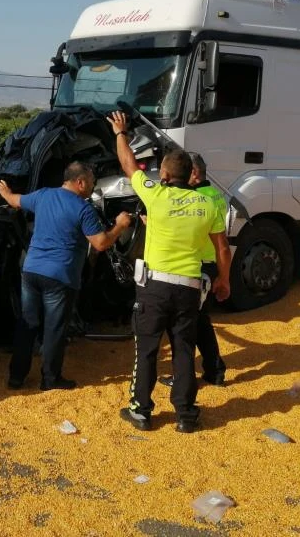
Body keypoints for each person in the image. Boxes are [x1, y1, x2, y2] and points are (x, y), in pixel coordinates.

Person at [107, 111, 231, 433]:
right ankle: (186, 415)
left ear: (163, 173)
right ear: (191, 175)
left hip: (155, 287)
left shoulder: (156, 193)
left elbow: (128, 164)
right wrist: (224, 280)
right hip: (189, 287)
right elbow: (222, 249)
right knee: (184, 350)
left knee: (147, 349)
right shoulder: (208, 204)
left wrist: (120, 132)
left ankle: (141, 411)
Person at [0, 162, 133, 391]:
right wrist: (119, 226)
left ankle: (16, 376)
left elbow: (15, 201)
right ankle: (50, 379)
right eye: (91, 181)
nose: (93, 185)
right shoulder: (83, 209)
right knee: (54, 328)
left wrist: (5, 192)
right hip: (60, 276)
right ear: (80, 182)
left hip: (31, 271)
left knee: (28, 323)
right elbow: (100, 243)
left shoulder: (43, 195)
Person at [158, 152, 228, 388]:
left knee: (183, 324)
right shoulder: (215, 195)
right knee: (200, 321)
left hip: (197, 265)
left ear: (194, 173)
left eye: (186, 171)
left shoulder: (197, 198)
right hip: (210, 264)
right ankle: (214, 370)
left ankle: (185, 376)